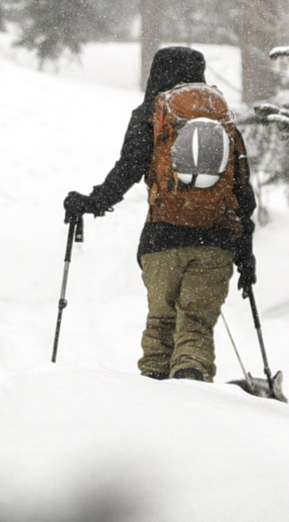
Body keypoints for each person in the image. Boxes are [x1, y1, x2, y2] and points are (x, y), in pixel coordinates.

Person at [64, 45, 257, 382]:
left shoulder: (151, 113)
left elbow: (126, 171)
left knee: (160, 326)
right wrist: (244, 253)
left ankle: (153, 403)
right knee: (195, 328)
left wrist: (90, 202)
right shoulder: (219, 116)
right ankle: (190, 391)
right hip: (215, 241)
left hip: (161, 240)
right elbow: (242, 189)